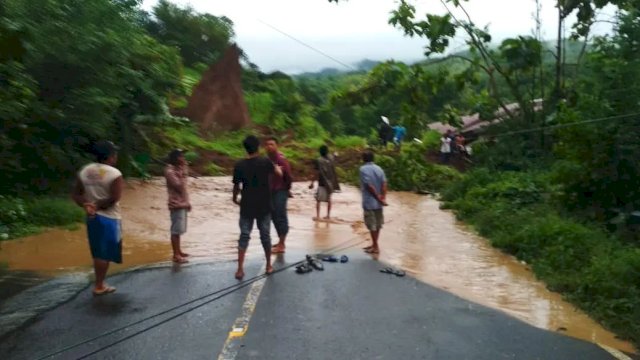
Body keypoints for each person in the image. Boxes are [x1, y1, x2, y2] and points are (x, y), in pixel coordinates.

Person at [72, 140, 124, 296]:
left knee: (97, 251)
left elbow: (76, 194)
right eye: (115, 153)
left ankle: (99, 282)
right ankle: (99, 285)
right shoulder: (115, 174)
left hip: (92, 216)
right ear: (111, 156)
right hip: (109, 217)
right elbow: (114, 198)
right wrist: (97, 206)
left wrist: (87, 205)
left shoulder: (85, 171)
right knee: (104, 252)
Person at [232, 135, 283, 280]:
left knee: (244, 236)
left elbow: (236, 186)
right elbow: (278, 174)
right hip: (264, 205)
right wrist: (277, 167)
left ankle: (240, 269)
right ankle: (268, 265)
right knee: (265, 236)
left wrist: (235, 199)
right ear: (258, 147)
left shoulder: (239, 165)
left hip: (247, 205)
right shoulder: (265, 162)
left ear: (245, 149)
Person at [264, 137, 292, 254]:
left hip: (280, 191)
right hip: (271, 191)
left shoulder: (280, 160)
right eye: (267, 145)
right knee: (274, 216)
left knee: (280, 216)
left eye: (272, 144)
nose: (269, 146)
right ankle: (281, 241)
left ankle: (282, 244)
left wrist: (286, 189)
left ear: (276, 146)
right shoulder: (266, 160)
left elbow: (289, 176)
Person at [165, 149, 191, 264]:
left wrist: (187, 202)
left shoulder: (178, 169)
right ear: (176, 159)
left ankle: (178, 251)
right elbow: (179, 186)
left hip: (182, 203)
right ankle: (176, 255)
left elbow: (184, 189)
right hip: (176, 204)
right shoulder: (170, 171)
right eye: (182, 156)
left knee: (179, 230)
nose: (184, 159)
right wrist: (184, 172)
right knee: (176, 230)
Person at [359, 151, 388, 255]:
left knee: (372, 225)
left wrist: (377, 198)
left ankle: (375, 247)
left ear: (363, 159)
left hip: (369, 201)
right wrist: (383, 198)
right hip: (379, 202)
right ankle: (374, 244)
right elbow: (384, 183)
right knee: (378, 224)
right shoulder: (379, 169)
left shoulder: (362, 169)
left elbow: (369, 186)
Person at [309, 145, 340, 220]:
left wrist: (312, 182)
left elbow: (316, 172)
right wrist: (335, 154)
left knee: (318, 200)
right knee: (329, 199)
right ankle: (328, 216)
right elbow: (335, 155)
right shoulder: (331, 159)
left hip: (322, 182)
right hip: (331, 183)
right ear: (327, 151)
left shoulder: (318, 160)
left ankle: (318, 216)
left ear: (320, 152)